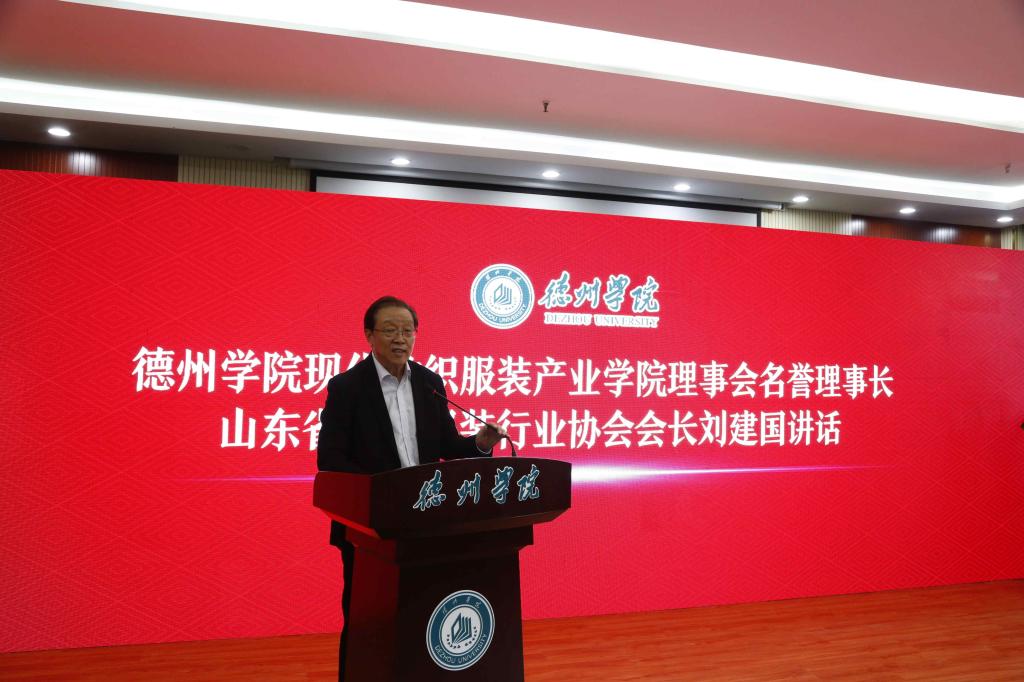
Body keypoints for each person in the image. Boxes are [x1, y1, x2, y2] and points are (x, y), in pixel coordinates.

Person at [316, 295, 505, 679]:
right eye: (389, 330)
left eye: (407, 330)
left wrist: (481, 443)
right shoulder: (347, 388)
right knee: (367, 619)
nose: (400, 338)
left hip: (426, 524)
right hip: (370, 530)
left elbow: (448, 447)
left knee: (422, 614)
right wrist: (385, 493)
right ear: (369, 335)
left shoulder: (430, 383)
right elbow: (331, 460)